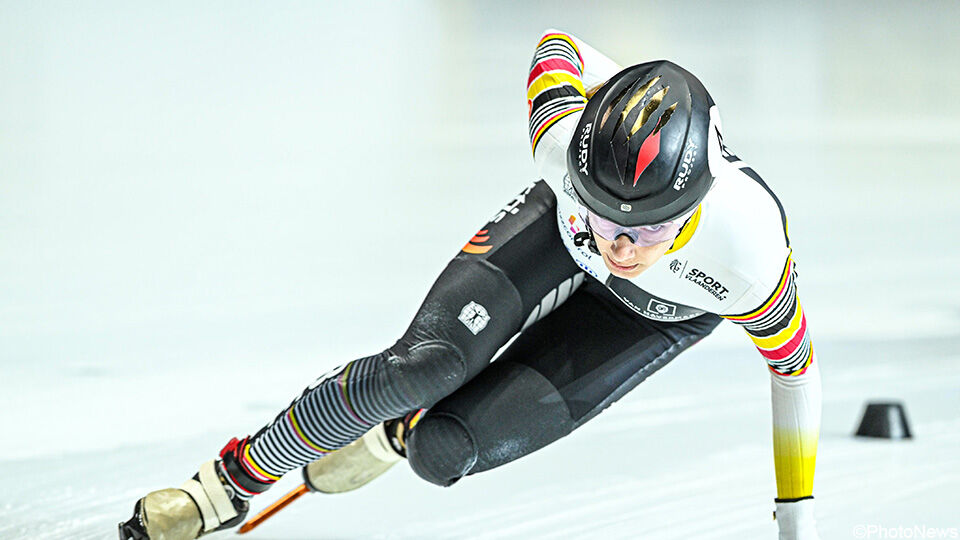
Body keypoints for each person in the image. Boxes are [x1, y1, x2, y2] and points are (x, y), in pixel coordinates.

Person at [119, 29, 822, 540]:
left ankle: (398, 432)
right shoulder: (559, 143)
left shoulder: (751, 254)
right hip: (557, 233)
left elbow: (795, 374)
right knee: (423, 367)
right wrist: (593, 176)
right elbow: (558, 46)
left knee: (442, 451)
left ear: (698, 204)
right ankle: (230, 482)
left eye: (646, 230)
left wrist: (798, 524)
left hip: (654, 314)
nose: (618, 247)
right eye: (605, 215)